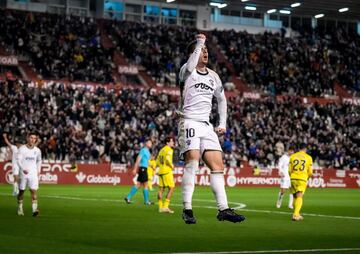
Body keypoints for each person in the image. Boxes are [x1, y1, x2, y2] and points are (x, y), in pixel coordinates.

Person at [177, 34, 245, 224]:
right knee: (193, 162)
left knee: (218, 166)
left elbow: (222, 100)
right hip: (189, 121)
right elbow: (191, 66)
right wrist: (200, 42)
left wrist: (222, 123)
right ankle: (187, 209)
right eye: (201, 50)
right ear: (193, 53)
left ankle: (223, 209)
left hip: (206, 125)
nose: (205, 52)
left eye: (207, 50)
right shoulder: (186, 71)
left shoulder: (214, 76)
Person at [17, 132, 42, 216]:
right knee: (21, 191)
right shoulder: (22, 149)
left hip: (33, 174)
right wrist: (23, 169)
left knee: (34, 191)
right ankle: (20, 208)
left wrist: (38, 170)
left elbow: (39, 160)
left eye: (34, 138)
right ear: (27, 138)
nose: (33, 140)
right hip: (23, 174)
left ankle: (34, 209)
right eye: (31, 138)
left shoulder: (37, 150)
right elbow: (18, 160)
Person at [288, 143, 313, 221]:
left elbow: (289, 170)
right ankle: (295, 215)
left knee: (295, 196)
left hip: (293, 178)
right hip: (302, 178)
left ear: (299, 148)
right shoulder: (308, 157)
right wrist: (307, 177)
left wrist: (292, 177)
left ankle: (297, 214)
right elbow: (311, 172)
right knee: (299, 196)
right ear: (305, 149)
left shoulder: (292, 156)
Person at [124, 139, 153, 205]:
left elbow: (146, 161)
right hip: (142, 169)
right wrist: (134, 169)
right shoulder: (143, 150)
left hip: (144, 169)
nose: (151, 144)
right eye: (149, 142)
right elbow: (138, 159)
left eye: (151, 143)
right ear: (146, 143)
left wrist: (151, 166)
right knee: (144, 184)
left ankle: (128, 197)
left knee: (140, 184)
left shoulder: (148, 152)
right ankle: (146, 201)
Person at [157, 137, 175, 214]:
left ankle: (160, 207)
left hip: (160, 171)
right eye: (171, 141)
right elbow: (167, 159)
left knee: (161, 189)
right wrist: (172, 166)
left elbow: (157, 161)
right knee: (171, 188)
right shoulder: (169, 150)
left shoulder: (161, 150)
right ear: (167, 143)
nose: (173, 143)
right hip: (167, 171)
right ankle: (165, 206)